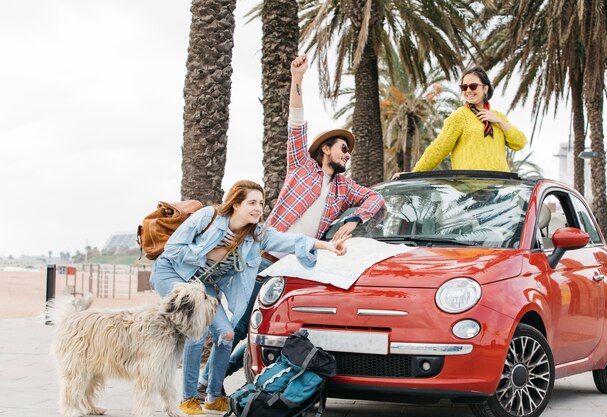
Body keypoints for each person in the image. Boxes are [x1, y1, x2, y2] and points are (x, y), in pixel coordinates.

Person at [196, 55, 384, 400]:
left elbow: (376, 200)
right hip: (262, 259)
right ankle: (208, 383)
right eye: (343, 149)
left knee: (270, 328)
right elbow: (295, 124)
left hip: (296, 267)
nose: (347, 156)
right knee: (240, 325)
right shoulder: (300, 167)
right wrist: (297, 79)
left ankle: (217, 378)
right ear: (326, 149)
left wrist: (354, 219)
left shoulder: (344, 189)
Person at [149, 180, 349, 414]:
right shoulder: (208, 217)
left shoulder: (256, 234)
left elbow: (290, 241)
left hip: (206, 285)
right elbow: (173, 248)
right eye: (252, 202)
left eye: (261, 203)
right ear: (235, 204)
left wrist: (328, 246)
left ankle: (213, 396)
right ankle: (189, 398)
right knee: (197, 329)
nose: (258, 208)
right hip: (174, 272)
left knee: (226, 334)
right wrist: (208, 253)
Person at [392, 66, 526, 179]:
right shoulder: (460, 116)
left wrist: (499, 121)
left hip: (501, 188)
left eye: (473, 86)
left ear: (485, 89)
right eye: (464, 87)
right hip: (472, 190)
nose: (468, 91)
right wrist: (414, 174)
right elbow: (439, 148)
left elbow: (519, 143)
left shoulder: (498, 117)